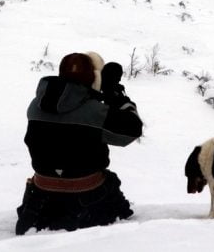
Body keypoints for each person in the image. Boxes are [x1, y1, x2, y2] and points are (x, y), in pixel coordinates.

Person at [15, 52, 142, 235]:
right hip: (86, 202)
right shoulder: (95, 112)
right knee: (109, 181)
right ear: (94, 78)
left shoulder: (36, 105)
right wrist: (114, 94)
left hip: (39, 203)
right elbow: (131, 130)